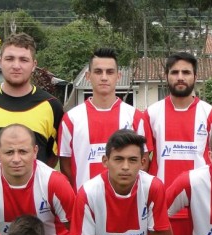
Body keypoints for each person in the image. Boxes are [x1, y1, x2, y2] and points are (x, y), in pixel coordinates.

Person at [70, 129, 169, 235]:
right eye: (118, 159)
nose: (125, 167)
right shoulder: (88, 193)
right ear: (105, 161)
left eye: (132, 160)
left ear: (143, 162)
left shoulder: (154, 187)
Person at [144, 52, 212, 235]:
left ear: (195, 77)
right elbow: (142, 161)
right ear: (166, 76)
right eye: (175, 72)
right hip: (161, 208)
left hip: (199, 209)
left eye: (186, 72)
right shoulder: (151, 113)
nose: (180, 77)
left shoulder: (209, 114)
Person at [0, 32, 63, 173]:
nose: (16, 65)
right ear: (0, 62)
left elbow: (53, 156)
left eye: (24, 60)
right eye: (10, 59)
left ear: (34, 65)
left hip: (36, 194)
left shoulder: (52, 106)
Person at [58, 48, 152, 191]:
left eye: (110, 72)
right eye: (98, 72)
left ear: (118, 76)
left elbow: (143, 162)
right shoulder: (71, 118)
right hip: (85, 204)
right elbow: (65, 165)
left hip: (125, 203)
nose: (104, 77)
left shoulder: (135, 117)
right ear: (88, 76)